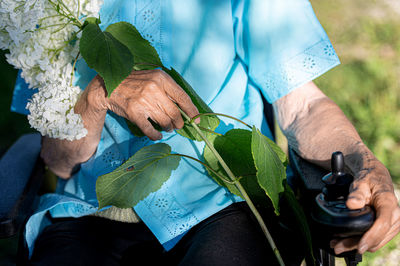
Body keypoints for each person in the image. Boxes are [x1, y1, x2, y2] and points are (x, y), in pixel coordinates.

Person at [10, 0, 400, 265]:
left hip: (225, 201)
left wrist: (365, 165)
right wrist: (98, 94)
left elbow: (303, 107)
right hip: (90, 212)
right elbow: (60, 160)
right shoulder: (49, 9)